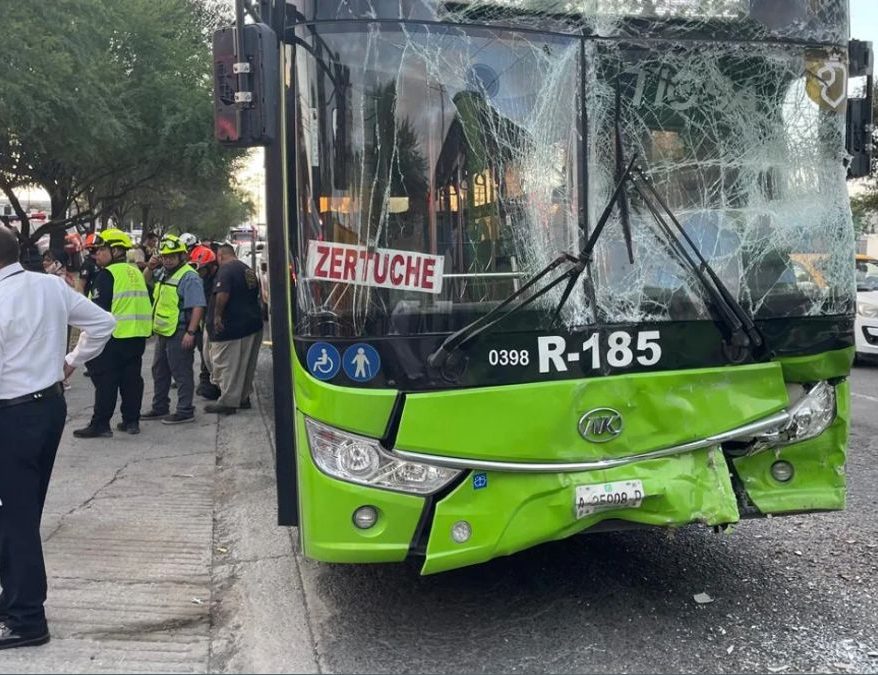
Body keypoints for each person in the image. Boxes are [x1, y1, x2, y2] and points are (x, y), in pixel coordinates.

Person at [0, 225, 115, 650]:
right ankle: (14, 596)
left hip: (12, 415)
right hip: (47, 408)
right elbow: (103, 323)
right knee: (20, 512)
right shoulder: (50, 286)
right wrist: (71, 360)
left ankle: (27, 617)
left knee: (16, 518)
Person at [72, 229, 152, 438]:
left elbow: (97, 312)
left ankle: (100, 424)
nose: (96, 255)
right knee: (131, 380)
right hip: (137, 336)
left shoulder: (107, 275)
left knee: (106, 380)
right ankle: (131, 421)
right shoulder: (134, 272)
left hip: (114, 337)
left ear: (116, 250)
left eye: (100, 250)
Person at [141, 234, 206, 424]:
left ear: (181, 256)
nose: (168, 260)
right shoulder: (163, 272)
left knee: (181, 371)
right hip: (164, 331)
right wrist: (150, 266)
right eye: (165, 256)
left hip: (180, 331)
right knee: (159, 370)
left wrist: (191, 332)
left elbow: (198, 306)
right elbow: (146, 281)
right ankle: (160, 407)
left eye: (172, 256)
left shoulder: (189, 277)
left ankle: (185, 410)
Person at [204, 243, 263, 414]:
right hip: (251, 324)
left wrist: (217, 316)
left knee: (226, 365)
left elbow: (223, 293)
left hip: (232, 327)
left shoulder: (226, 270)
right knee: (245, 365)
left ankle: (228, 401)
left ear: (220, 255)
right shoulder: (247, 269)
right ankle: (242, 398)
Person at [190, 245, 222, 400]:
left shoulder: (217, 280)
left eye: (201, 269)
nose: (199, 273)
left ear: (211, 267)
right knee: (204, 355)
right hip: (203, 324)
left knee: (211, 356)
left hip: (212, 324)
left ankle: (213, 385)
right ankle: (206, 383)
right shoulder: (201, 280)